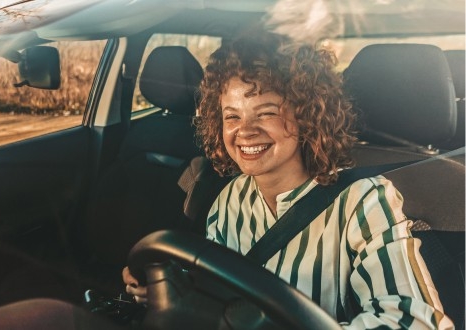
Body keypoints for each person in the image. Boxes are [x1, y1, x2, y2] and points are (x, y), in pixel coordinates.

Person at [124, 31, 453, 329]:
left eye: (265, 112)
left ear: (308, 115)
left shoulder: (364, 201)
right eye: (232, 116)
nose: (245, 131)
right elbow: (214, 290)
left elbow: (415, 322)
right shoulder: (228, 198)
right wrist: (165, 287)